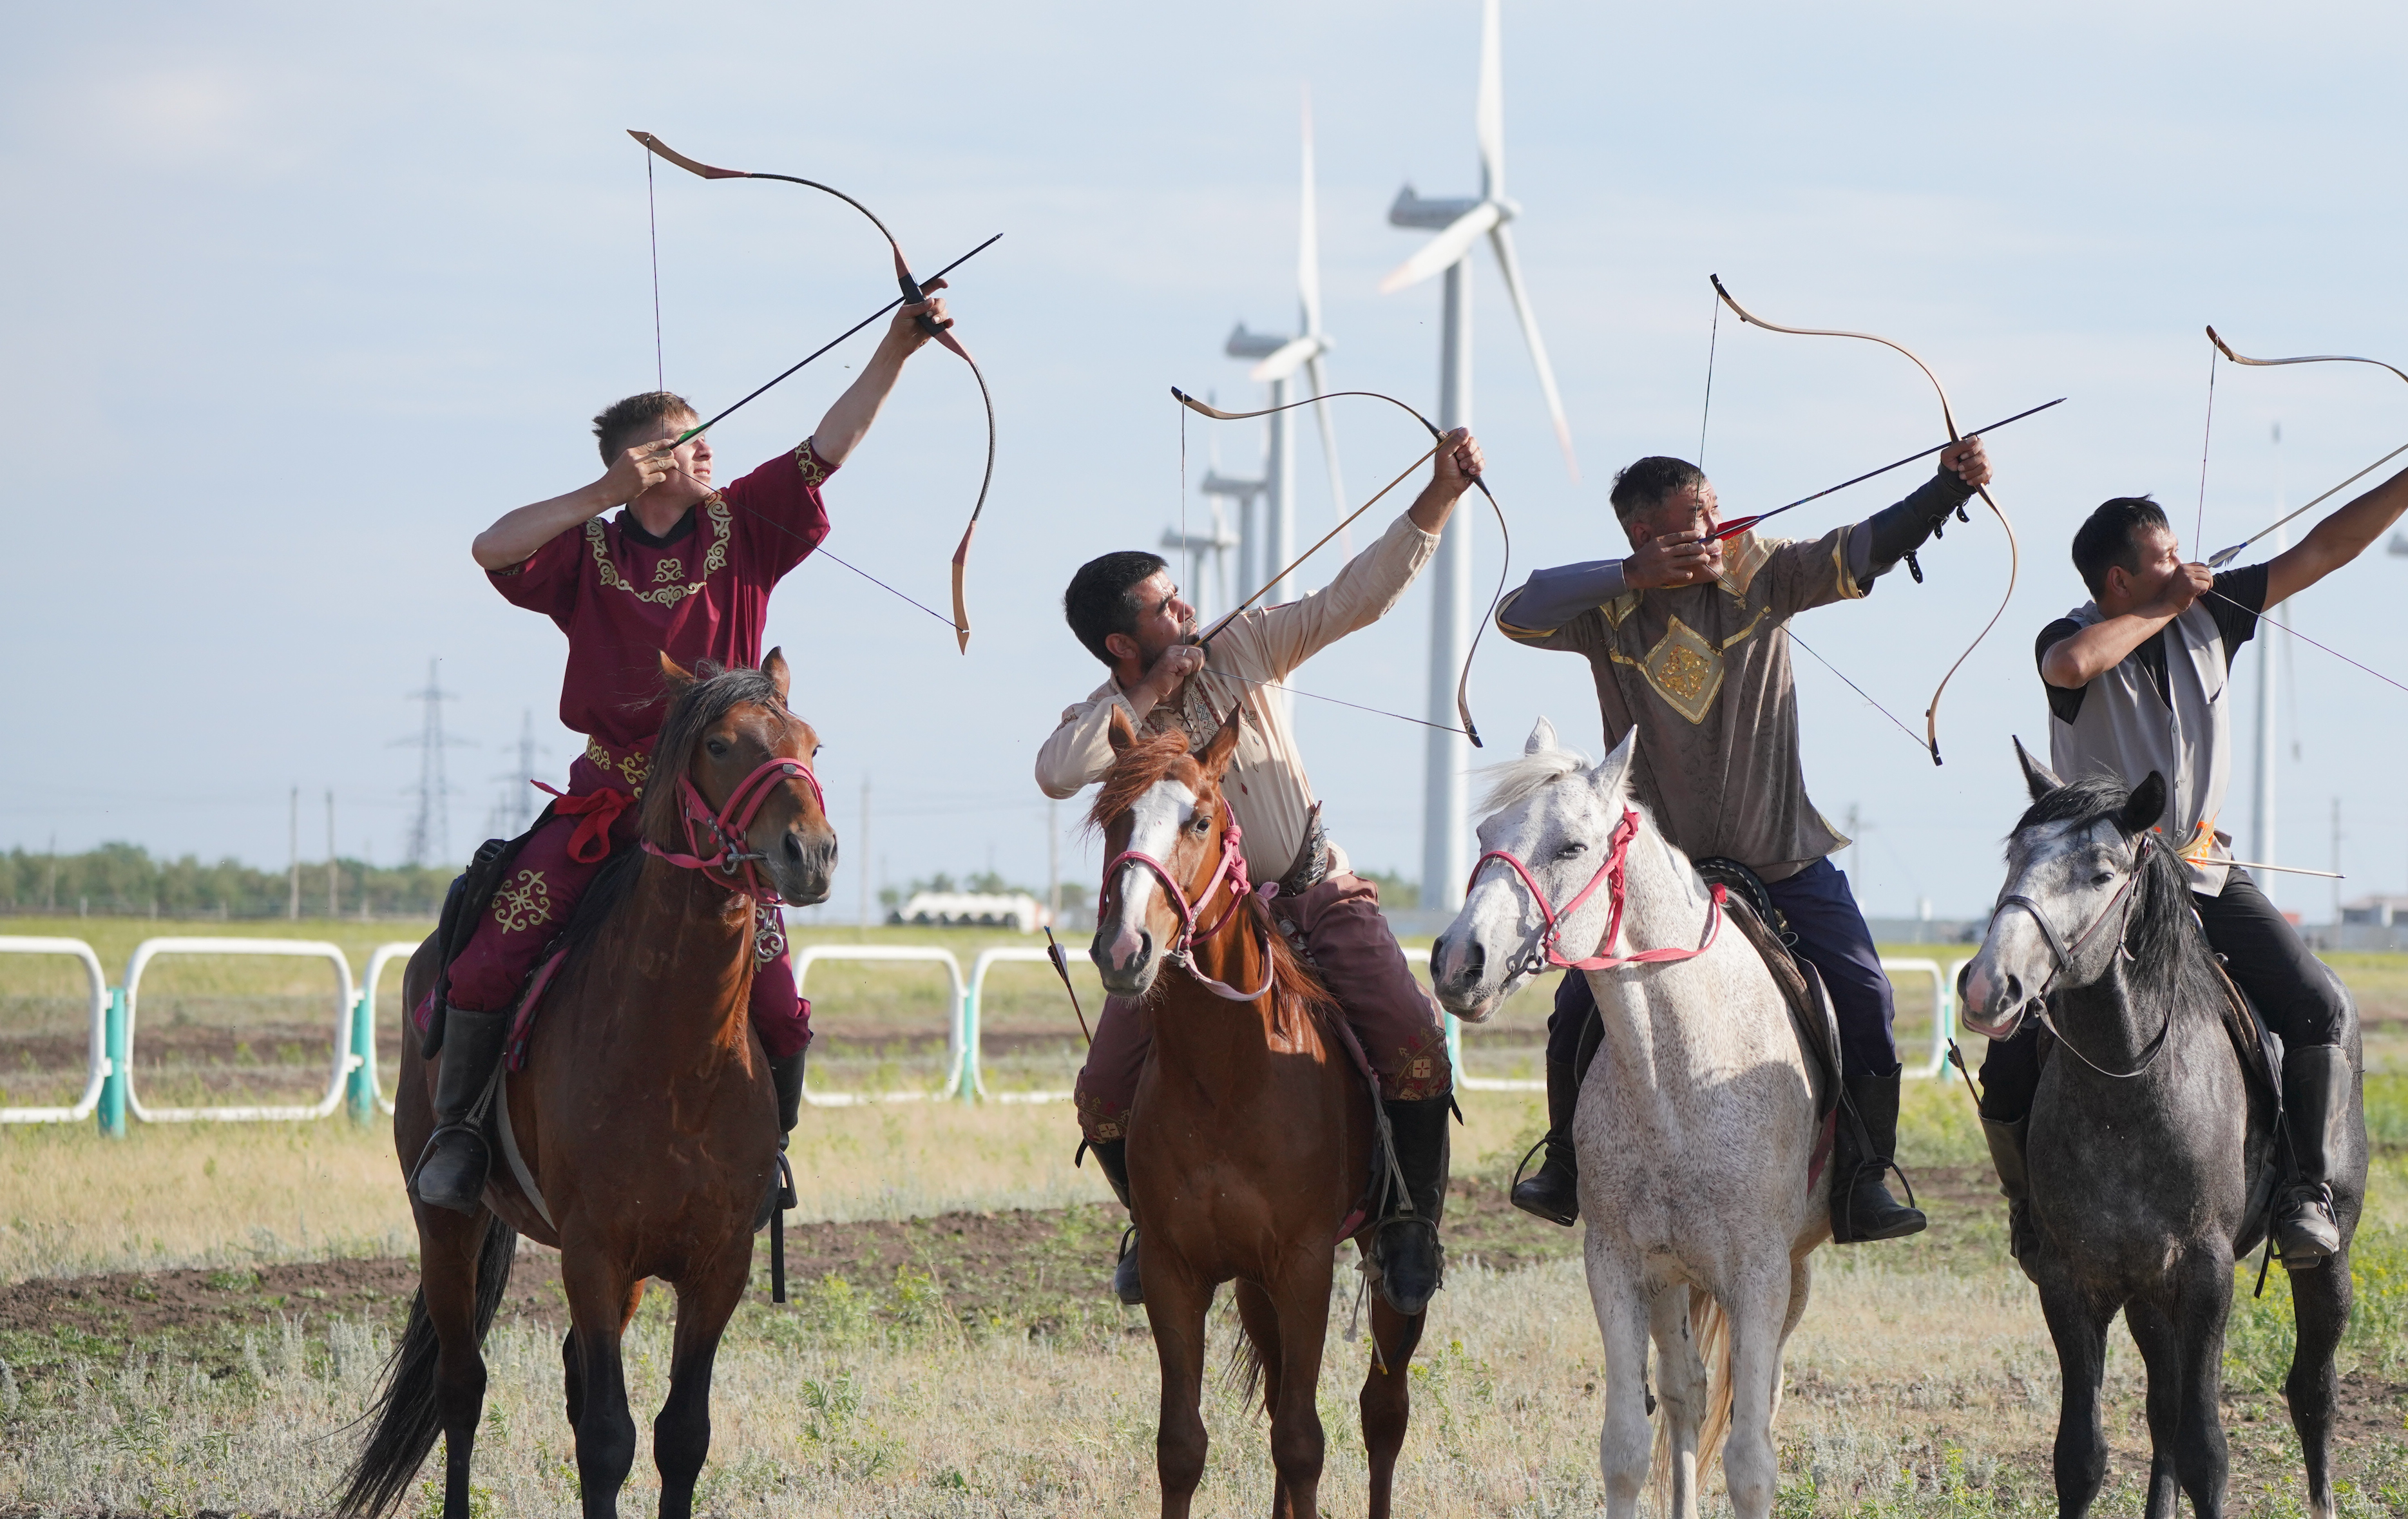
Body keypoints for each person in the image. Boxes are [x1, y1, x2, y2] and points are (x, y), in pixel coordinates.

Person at [421, 294, 957, 1214]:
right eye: (686, 440)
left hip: (724, 805)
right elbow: (488, 546)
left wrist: (897, 347)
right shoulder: (585, 547)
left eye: (705, 437)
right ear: (640, 462)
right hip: (608, 800)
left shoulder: (740, 524)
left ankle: (765, 1157)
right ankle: (464, 1139)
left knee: (783, 1006)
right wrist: (601, 495)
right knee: (485, 959)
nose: (707, 450)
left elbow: (828, 444)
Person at [1996, 406, 2408, 1269]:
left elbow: (2328, 549)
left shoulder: (2209, 617)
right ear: (2118, 582)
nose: (2187, 567)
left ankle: (2306, 1192)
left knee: (2318, 1005)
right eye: (2162, 561)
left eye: (2182, 557)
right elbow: (2070, 671)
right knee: (2008, 1046)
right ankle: (2032, 1210)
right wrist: (2173, 603)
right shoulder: (2070, 638)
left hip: (2202, 876)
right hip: (2102, 887)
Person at [1493, 436, 1996, 1243]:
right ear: (1642, 538)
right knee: (1570, 1014)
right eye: (1690, 521)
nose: (1712, 528)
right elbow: (1514, 613)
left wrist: (1942, 491)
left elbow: (1864, 546)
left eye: (1712, 510)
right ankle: (1563, 1161)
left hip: (1780, 859)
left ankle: (1863, 1177)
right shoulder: (1607, 609)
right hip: (1656, 879)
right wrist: (1632, 580)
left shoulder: (1760, 570)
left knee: (1867, 996)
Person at [1036, 428, 1487, 1318]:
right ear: (1122, 645)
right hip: (1192, 938)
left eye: (1179, 598)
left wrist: (1436, 499)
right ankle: (1155, 1226)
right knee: (1102, 1096)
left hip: (1311, 893)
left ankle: (1406, 1225)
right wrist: (1148, 694)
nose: (1188, 611)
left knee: (1411, 1038)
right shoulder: (1112, 714)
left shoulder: (1244, 645)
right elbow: (1056, 770)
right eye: (1166, 609)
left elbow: (1351, 598)